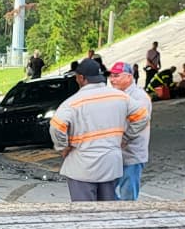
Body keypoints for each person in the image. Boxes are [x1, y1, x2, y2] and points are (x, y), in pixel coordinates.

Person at [48, 60, 148, 202]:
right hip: (110, 165)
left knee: (85, 215)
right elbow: (143, 116)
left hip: (82, 167)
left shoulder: (73, 103)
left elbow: (57, 126)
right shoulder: (120, 97)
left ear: (81, 78)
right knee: (106, 211)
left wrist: (62, 147)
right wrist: (125, 137)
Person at [108, 62, 152, 201]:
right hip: (115, 154)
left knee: (128, 196)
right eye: (111, 76)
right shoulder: (114, 95)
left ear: (128, 77)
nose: (112, 79)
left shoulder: (139, 97)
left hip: (132, 153)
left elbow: (140, 121)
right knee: (105, 192)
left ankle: (128, 219)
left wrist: (124, 139)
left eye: (116, 76)